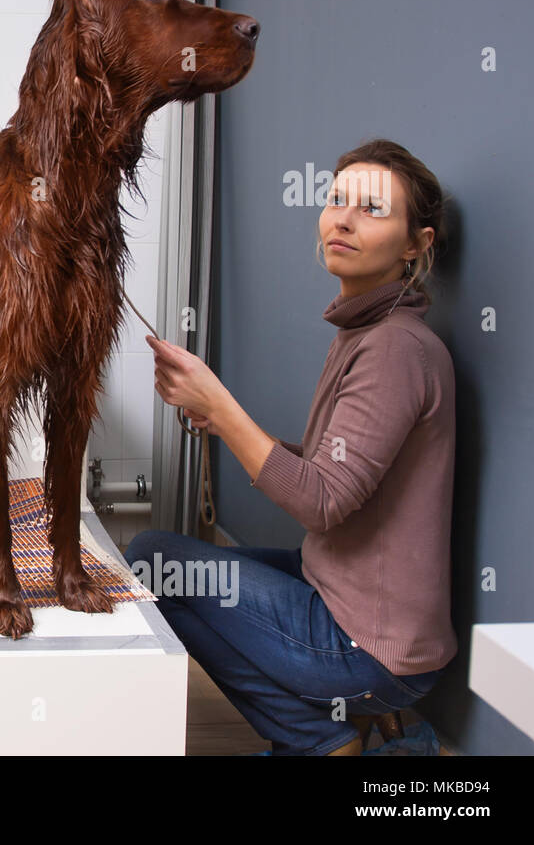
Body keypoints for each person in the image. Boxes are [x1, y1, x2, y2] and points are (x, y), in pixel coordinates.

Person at [126, 139, 456, 755]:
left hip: (370, 651)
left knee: (151, 557)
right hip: (338, 599)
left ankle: (318, 741)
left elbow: (322, 503)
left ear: (417, 245)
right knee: (159, 566)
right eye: (336, 200)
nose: (344, 219)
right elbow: (343, 468)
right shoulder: (368, 330)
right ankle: (362, 734)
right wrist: (221, 419)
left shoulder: (395, 350)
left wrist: (222, 406)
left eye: (373, 209)